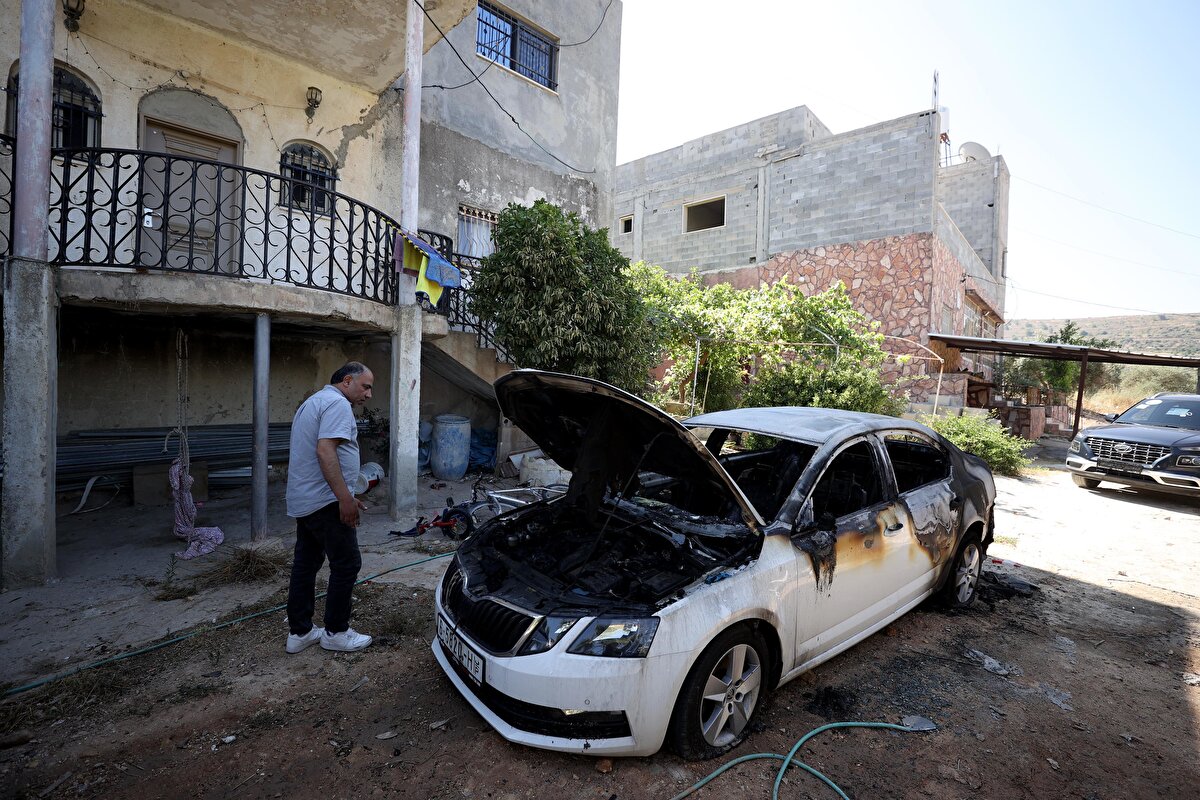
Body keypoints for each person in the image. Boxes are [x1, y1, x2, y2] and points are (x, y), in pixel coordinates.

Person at [284, 362, 375, 653]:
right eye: (366, 386)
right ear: (347, 381)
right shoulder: (337, 404)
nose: (369, 394)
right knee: (347, 563)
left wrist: (347, 493)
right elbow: (325, 451)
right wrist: (344, 500)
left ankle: (300, 632)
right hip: (325, 502)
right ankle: (336, 632)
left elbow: (319, 454)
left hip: (309, 500)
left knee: (306, 564)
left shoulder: (315, 401)